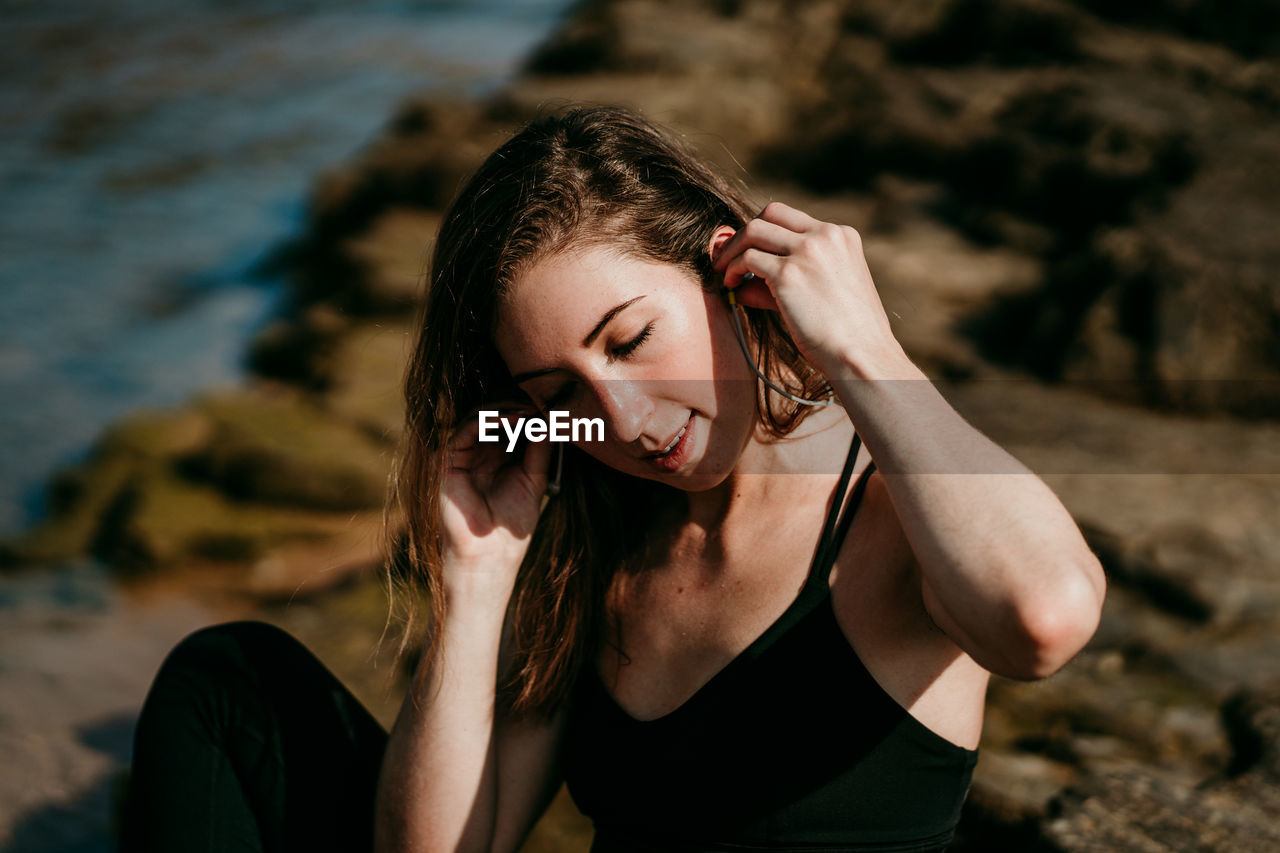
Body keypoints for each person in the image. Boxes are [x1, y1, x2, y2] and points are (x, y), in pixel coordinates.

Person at [120, 105, 1106, 853]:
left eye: (631, 339)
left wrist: (860, 348)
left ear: (731, 274)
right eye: (563, 390)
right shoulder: (593, 542)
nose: (625, 420)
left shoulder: (890, 507)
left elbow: (1041, 620)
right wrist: (473, 584)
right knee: (229, 684)